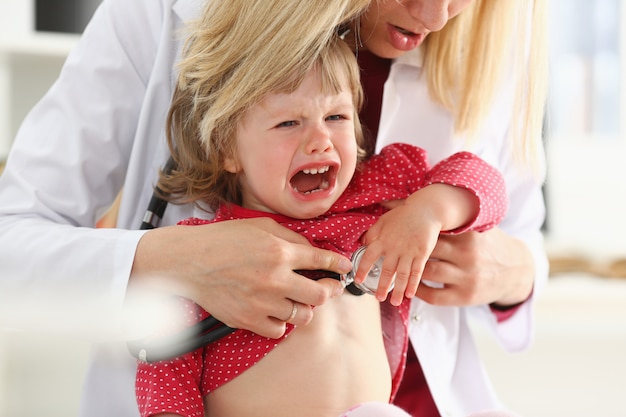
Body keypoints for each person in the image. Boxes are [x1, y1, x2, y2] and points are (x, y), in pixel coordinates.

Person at [0, 0, 549, 416]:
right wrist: (172, 259)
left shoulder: (484, 43)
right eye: (288, 123)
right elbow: (13, 242)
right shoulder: (160, 15)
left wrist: (508, 271)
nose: (436, 14)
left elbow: (507, 215)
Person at [133, 18, 507, 416]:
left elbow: (484, 180)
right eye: (288, 123)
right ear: (227, 149)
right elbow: (164, 369)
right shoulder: (206, 251)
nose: (319, 140)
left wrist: (430, 211)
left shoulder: (378, 192)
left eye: (336, 118)